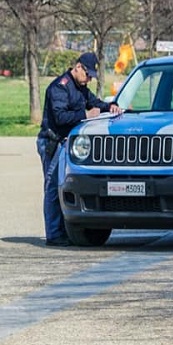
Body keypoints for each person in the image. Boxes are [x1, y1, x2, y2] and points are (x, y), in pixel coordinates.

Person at [37, 52, 120, 246]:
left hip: (65, 142)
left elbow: (95, 103)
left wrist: (111, 107)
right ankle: (54, 235)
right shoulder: (60, 87)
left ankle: (62, 233)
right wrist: (86, 114)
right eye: (87, 74)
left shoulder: (80, 88)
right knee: (52, 188)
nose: (89, 79)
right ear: (78, 67)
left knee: (63, 186)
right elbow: (60, 117)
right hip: (52, 143)